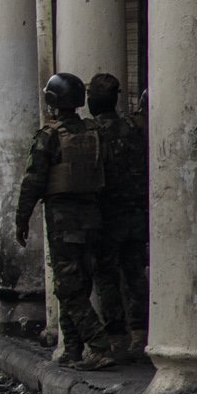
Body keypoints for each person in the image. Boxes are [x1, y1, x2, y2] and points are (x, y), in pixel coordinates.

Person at [14, 72, 116, 368]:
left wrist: (22, 219)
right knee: (77, 283)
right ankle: (72, 349)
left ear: (53, 101)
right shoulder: (94, 132)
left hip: (64, 220)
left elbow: (32, 181)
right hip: (93, 216)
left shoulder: (50, 135)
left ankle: (98, 344)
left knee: (67, 287)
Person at [85, 71, 148, 362]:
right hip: (135, 213)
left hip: (106, 217)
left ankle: (116, 336)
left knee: (107, 277)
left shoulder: (90, 133)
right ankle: (141, 332)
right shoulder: (134, 128)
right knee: (135, 274)